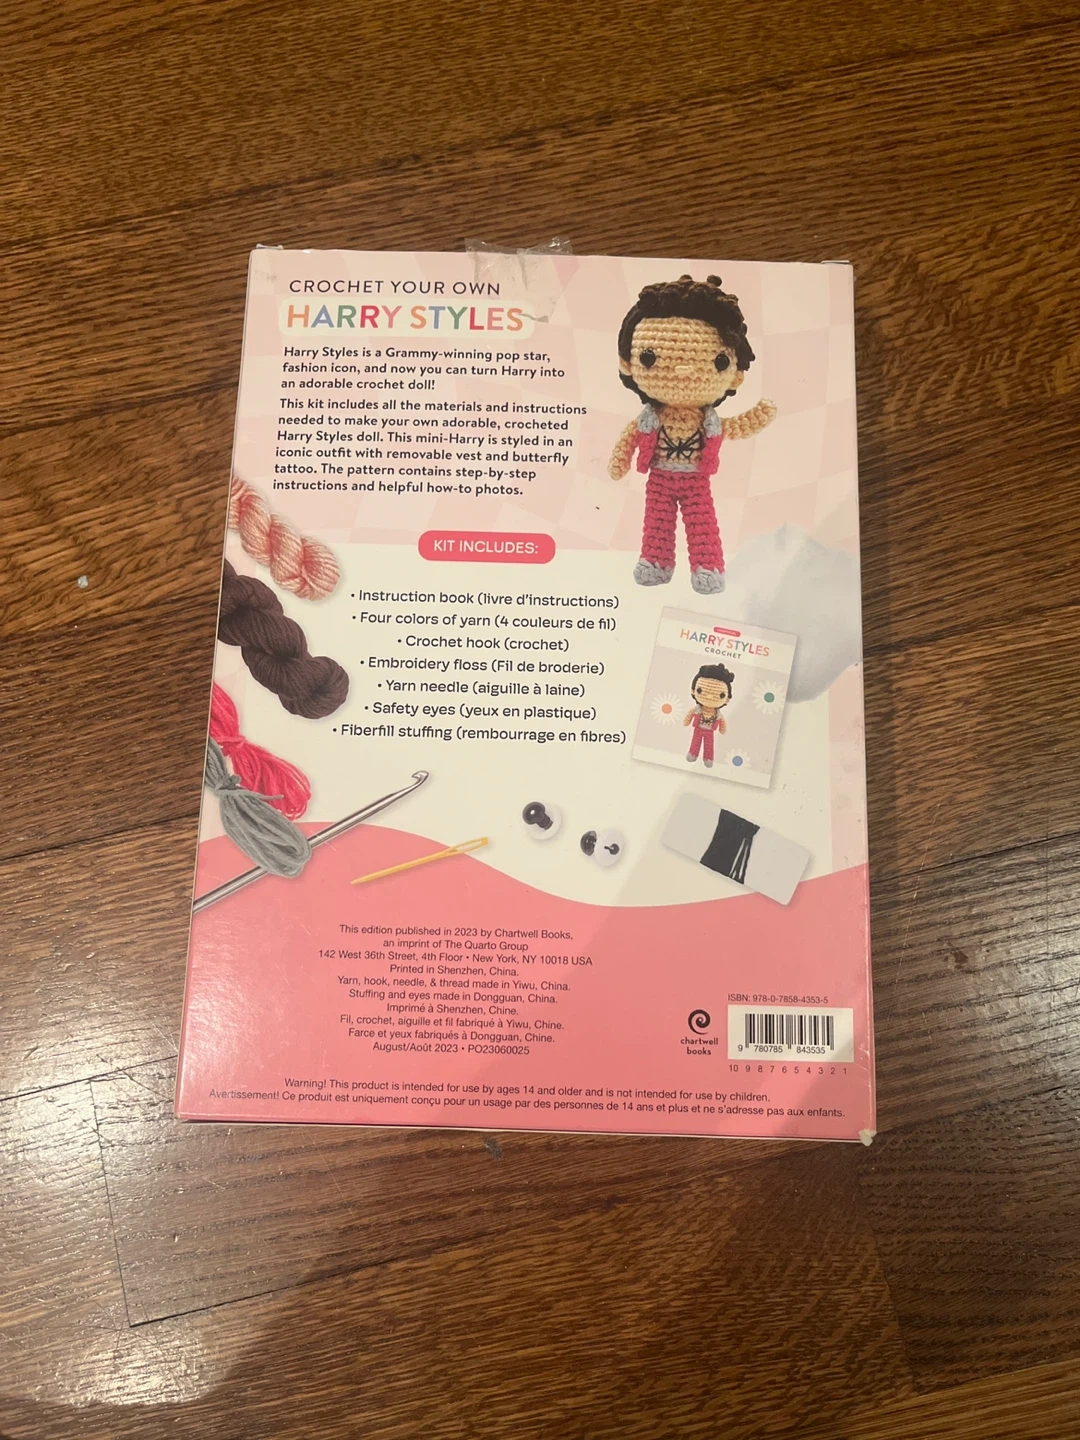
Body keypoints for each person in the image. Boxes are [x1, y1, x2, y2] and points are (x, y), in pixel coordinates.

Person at [609, 275, 776, 594]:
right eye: (649, 358)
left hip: (696, 480)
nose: (682, 370)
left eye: (718, 361)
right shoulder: (651, 418)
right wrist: (621, 460)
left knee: (702, 524)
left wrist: (758, 415)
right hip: (659, 477)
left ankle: (707, 567)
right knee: (656, 522)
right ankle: (655, 562)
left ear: (735, 375)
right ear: (628, 363)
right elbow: (630, 437)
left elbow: (736, 426)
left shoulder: (708, 422)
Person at [683, 663, 734, 768]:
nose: (710, 696)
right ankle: (693, 754)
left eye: (721, 695)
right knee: (695, 742)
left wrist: (722, 728)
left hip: (710, 731)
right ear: (693, 691)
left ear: (727, 699)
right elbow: (690, 714)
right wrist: (687, 721)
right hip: (698, 728)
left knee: (709, 745)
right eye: (700, 690)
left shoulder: (717, 714)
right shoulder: (697, 709)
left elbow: (722, 722)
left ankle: (708, 758)